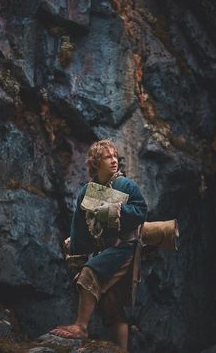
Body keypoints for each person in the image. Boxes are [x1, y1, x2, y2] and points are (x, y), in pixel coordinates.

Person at [50, 139, 147, 350]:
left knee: (89, 272)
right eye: (107, 157)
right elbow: (80, 226)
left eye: (115, 156)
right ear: (95, 162)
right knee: (112, 303)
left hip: (124, 248)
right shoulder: (88, 190)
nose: (114, 160)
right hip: (106, 249)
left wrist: (117, 211)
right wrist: (75, 249)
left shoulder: (126, 186)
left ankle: (81, 326)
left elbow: (141, 211)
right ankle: (121, 350)